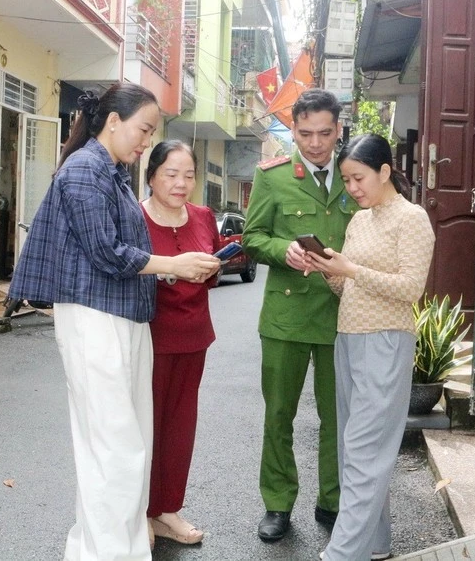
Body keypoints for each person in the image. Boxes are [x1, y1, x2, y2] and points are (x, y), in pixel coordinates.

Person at [8, 83, 220, 561]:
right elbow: (105, 251)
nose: (146, 141)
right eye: (144, 130)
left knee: (124, 446)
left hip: (121, 317)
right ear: (113, 122)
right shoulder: (86, 170)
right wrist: (173, 265)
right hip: (95, 319)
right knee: (114, 450)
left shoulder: (111, 171)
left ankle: (107, 551)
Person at [298, 134, 435, 560]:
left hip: (386, 343)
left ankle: (341, 554)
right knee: (354, 449)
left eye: (358, 178)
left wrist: (352, 268)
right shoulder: (360, 221)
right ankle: (375, 545)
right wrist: (325, 267)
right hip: (350, 341)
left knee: (363, 450)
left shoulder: (411, 219)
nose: (352, 188)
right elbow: (347, 288)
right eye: (346, 180)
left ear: (385, 172)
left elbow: (411, 289)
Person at [241, 88, 361, 542]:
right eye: (305, 133)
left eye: (324, 133)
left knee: (338, 418)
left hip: (341, 315)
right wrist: (283, 250)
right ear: (293, 130)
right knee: (279, 415)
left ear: (338, 130)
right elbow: (252, 238)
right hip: (286, 316)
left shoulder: (352, 176)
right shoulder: (273, 176)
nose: (314, 144)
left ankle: (332, 501)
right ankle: (277, 503)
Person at [139, 140, 221, 546]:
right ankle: (139, 511)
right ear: (151, 175)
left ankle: (167, 508)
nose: (180, 183)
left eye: (188, 175)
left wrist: (213, 267)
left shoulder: (205, 216)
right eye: (171, 174)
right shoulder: (134, 217)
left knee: (179, 426)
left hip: (194, 336)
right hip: (147, 337)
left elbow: (215, 265)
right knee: (142, 426)